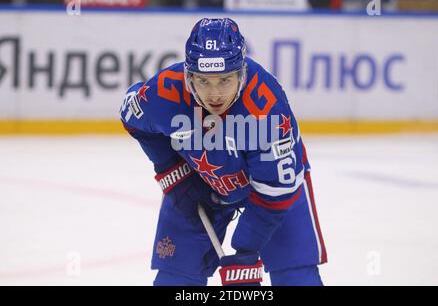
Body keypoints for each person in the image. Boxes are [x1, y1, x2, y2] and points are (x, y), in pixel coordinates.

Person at [120, 18, 327, 286]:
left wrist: (246, 249)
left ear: (241, 73)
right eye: (203, 81)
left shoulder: (266, 108)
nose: (214, 94)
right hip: (201, 185)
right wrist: (172, 170)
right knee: (177, 279)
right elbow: (131, 116)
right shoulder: (166, 92)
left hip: (271, 195)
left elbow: (278, 191)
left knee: (295, 277)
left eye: (225, 80)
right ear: (188, 75)